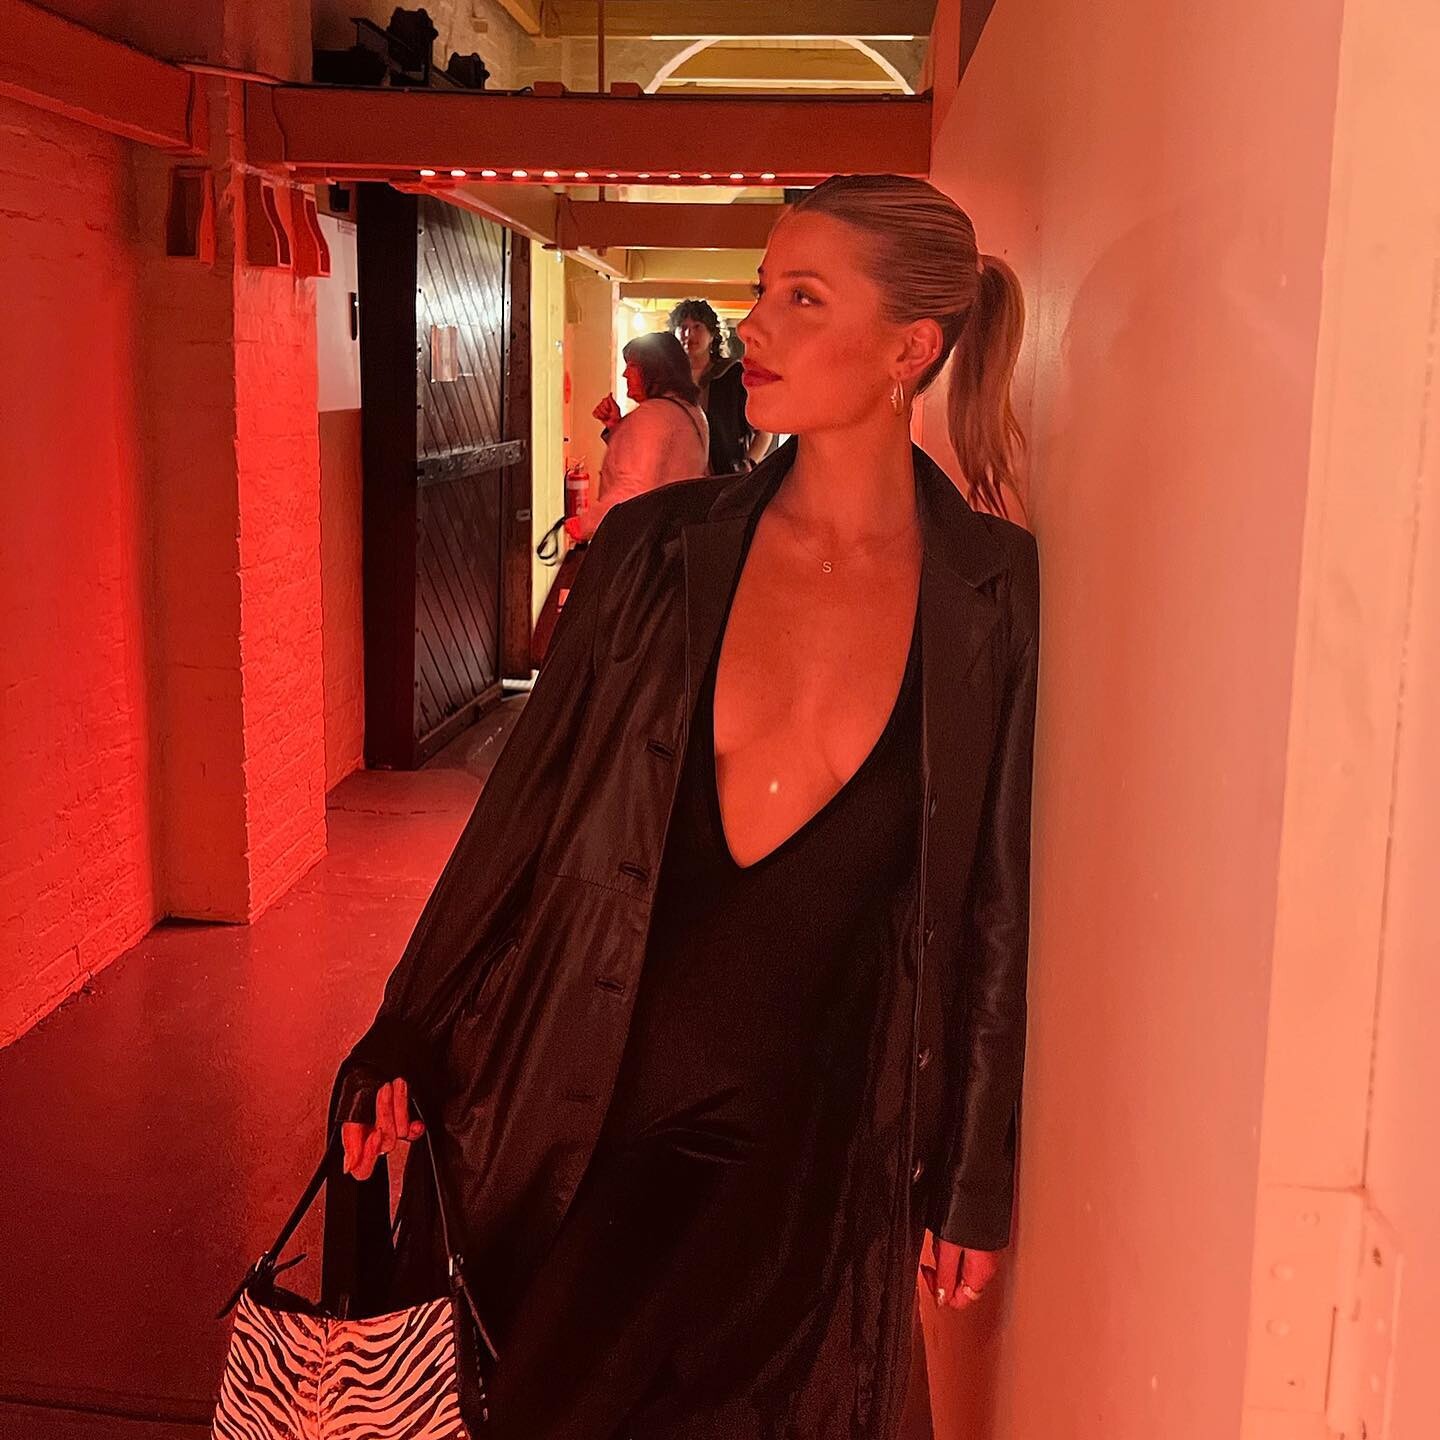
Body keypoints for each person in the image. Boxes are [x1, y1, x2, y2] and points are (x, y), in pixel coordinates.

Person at [333, 173, 1039, 1440]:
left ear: (911, 348)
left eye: (803, 298)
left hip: (816, 1148)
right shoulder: (660, 554)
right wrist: (406, 1031)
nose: (752, 326)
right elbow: (528, 814)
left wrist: (972, 1178)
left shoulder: (993, 593)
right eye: (764, 290)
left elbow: (993, 900)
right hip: (600, 1102)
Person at [566, 331, 709, 543]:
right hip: (674, 536)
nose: (625, 374)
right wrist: (617, 427)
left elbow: (632, 492)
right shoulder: (691, 411)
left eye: (632, 366)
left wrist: (583, 525)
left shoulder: (652, 416)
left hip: (645, 540)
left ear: (654, 370)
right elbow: (663, 465)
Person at [671, 296, 774, 473]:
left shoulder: (732, 375)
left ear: (711, 335)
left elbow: (764, 432)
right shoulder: (669, 378)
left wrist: (746, 465)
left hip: (724, 475)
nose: (689, 334)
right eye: (683, 327)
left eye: (697, 327)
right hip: (680, 474)